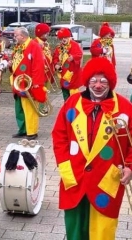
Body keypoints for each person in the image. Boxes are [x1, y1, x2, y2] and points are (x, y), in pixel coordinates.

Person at [52, 57, 132, 240]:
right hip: (75, 175)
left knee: (103, 229)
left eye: (103, 81)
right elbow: (59, 136)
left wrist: (129, 167)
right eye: (93, 80)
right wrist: (65, 166)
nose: (97, 85)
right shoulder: (72, 104)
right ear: (87, 81)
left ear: (110, 83)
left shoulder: (125, 108)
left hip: (107, 177)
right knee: (75, 226)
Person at [9, 27, 47, 140]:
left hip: (28, 84)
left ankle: (32, 131)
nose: (14, 37)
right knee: (19, 108)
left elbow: (38, 66)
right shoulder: (19, 46)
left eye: (16, 35)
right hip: (18, 83)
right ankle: (23, 129)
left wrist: (36, 84)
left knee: (30, 108)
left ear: (22, 36)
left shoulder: (34, 46)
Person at [52, 27, 83, 101]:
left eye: (65, 37)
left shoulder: (74, 45)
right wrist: (56, 64)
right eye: (62, 38)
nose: (63, 39)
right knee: (65, 93)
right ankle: (66, 107)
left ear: (69, 37)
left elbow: (79, 55)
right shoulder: (59, 47)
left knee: (74, 94)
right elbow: (55, 57)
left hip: (73, 74)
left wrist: (73, 57)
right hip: (63, 73)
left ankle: (74, 108)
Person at [34, 23, 55, 90]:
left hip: (48, 73)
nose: (48, 34)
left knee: (46, 93)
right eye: (46, 33)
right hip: (41, 74)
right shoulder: (35, 43)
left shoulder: (46, 43)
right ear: (41, 34)